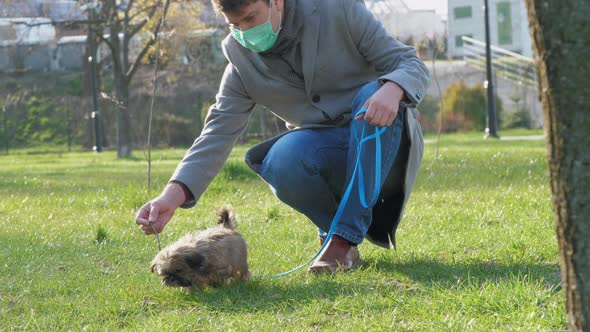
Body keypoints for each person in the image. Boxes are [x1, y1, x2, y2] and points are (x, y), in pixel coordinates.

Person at [135, 0, 430, 274]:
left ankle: (340, 242)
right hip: (327, 152)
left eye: (251, 17)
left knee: (370, 95)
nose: (245, 32)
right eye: (234, 24)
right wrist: (170, 198)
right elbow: (217, 130)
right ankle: (340, 239)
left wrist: (393, 89)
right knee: (281, 158)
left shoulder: (338, 9)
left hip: (383, 143)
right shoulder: (241, 60)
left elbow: (410, 63)